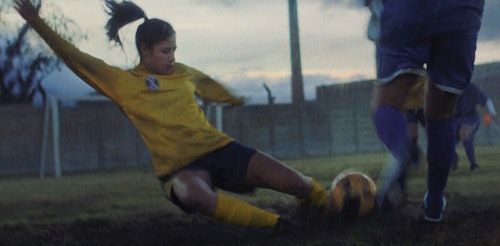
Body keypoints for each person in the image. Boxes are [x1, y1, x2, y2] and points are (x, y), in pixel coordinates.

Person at [14, 0, 328, 230]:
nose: (172, 57)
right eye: (166, 51)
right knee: (193, 193)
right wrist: (36, 22)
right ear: (144, 50)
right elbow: (73, 56)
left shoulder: (182, 72)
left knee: (299, 184)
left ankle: (327, 208)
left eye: (174, 49)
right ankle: (277, 226)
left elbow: (208, 85)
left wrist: (234, 98)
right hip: (179, 170)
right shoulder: (122, 83)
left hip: (219, 150)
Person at [366, 0, 484, 222]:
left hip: (409, 8)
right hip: (463, 10)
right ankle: (434, 203)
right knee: (443, 111)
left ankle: (403, 149)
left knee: (388, 102)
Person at [451, 83, 498, 171]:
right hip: (454, 120)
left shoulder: (471, 88)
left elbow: (486, 100)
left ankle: (473, 164)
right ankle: (453, 158)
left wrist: (493, 114)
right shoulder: (448, 88)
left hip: (470, 119)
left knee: (464, 132)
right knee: (443, 137)